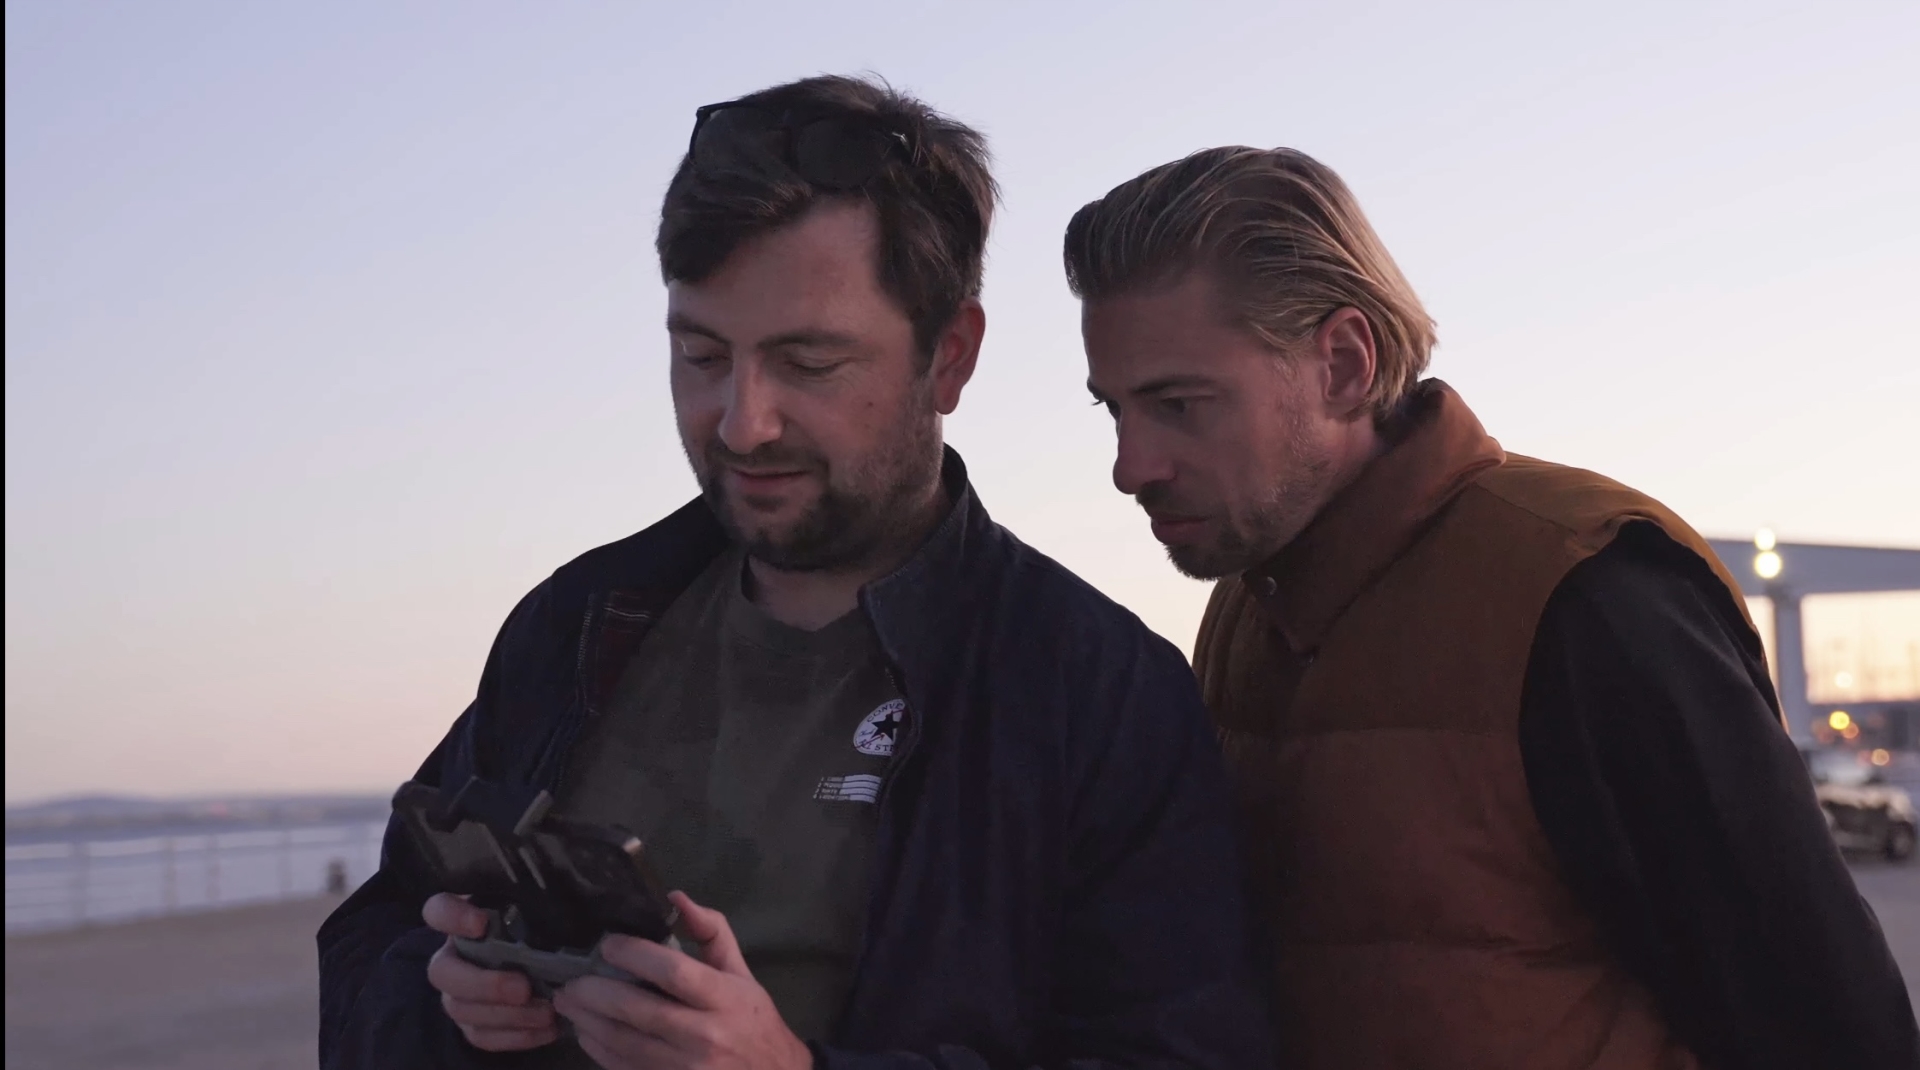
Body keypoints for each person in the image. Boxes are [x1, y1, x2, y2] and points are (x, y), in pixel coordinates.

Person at [317, 76, 1273, 1070]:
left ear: (949, 356)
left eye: (808, 362)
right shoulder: (577, 622)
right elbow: (369, 942)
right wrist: (446, 998)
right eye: (702, 355)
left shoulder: (1097, 691)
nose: (743, 422)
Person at [1064, 146, 1918, 1070]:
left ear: (1343, 364)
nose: (1129, 467)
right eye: (1114, 411)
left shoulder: (1589, 601)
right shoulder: (1243, 607)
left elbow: (1828, 1027)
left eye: (1179, 405)